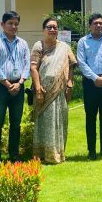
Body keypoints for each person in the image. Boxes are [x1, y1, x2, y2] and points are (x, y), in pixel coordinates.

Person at [30, 17, 77, 164]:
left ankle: (57, 154)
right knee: (43, 122)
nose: (52, 29)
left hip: (60, 92)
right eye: (49, 27)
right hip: (44, 91)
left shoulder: (64, 47)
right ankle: (42, 154)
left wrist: (70, 84)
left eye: (55, 27)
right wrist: (38, 89)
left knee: (58, 122)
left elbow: (71, 65)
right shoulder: (39, 45)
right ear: (43, 30)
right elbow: (33, 68)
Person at [0, 11, 30, 167]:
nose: (13, 26)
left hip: (18, 87)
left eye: (16, 24)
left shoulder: (23, 43)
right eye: (10, 23)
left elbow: (27, 64)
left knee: (16, 123)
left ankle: (14, 155)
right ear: (2, 24)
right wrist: (7, 84)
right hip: (0, 87)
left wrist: (20, 82)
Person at [76, 13, 102, 160]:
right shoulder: (83, 42)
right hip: (90, 83)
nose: (98, 25)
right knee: (90, 117)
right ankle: (92, 151)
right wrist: (95, 78)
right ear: (90, 26)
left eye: (100, 23)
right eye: (95, 23)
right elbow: (81, 63)